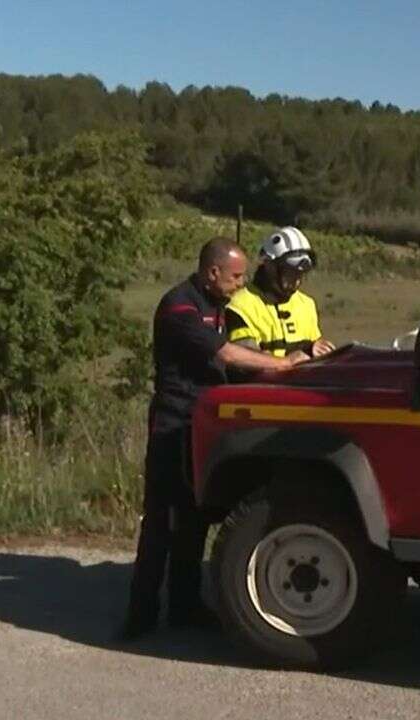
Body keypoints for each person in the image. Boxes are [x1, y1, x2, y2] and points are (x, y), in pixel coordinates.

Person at [117, 237, 307, 642]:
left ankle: (185, 607)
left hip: (202, 423)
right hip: (173, 422)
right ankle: (141, 614)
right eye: (235, 276)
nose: (241, 284)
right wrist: (284, 366)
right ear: (212, 271)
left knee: (193, 518)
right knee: (161, 522)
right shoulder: (180, 306)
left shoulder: (219, 306)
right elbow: (228, 356)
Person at [225, 226, 335, 364]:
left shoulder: (307, 304)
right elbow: (245, 362)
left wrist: (314, 348)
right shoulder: (239, 306)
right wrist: (286, 362)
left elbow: (314, 350)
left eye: (301, 272)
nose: (297, 279)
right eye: (290, 271)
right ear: (269, 266)